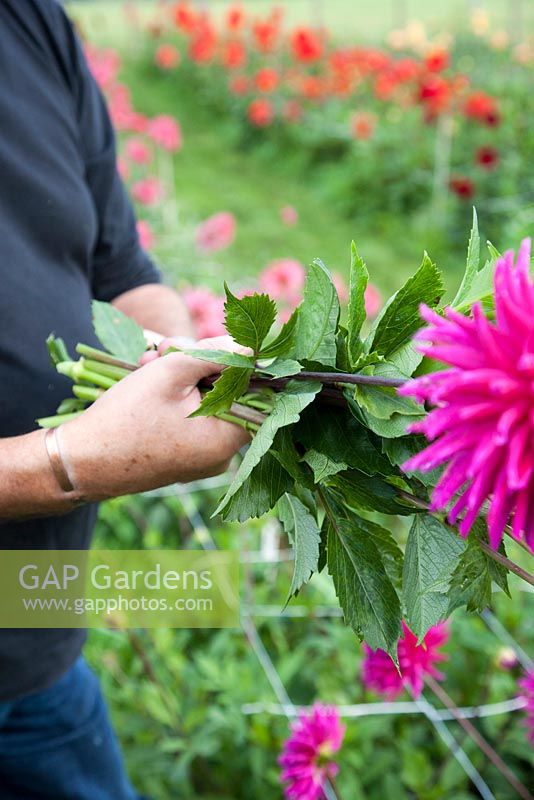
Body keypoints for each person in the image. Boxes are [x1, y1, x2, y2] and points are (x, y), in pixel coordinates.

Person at [0, 1, 247, 797]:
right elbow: (66, 461)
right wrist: (64, 464)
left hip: (35, 641)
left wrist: (177, 358)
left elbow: (123, 271)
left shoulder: (29, 21)